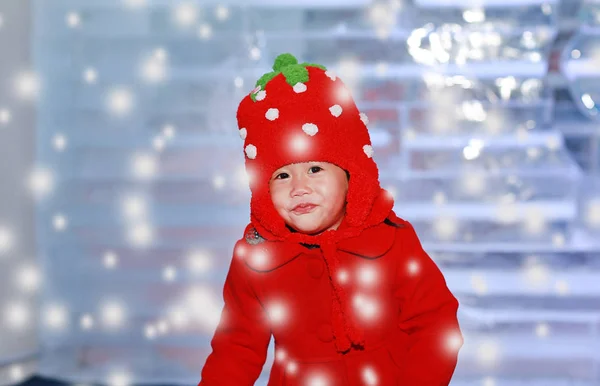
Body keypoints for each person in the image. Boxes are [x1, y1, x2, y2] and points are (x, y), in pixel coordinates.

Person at [198, 53, 463, 385]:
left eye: (314, 168)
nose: (299, 188)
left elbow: (435, 323)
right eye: (281, 176)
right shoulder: (256, 260)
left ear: (351, 172)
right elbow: (236, 349)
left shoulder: (392, 240)